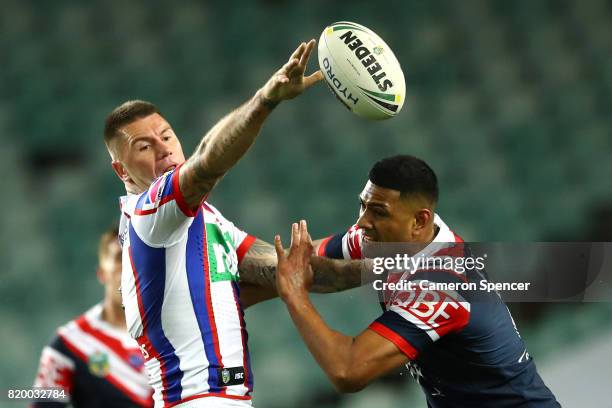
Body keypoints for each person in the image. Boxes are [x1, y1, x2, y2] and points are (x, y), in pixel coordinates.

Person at [104, 39, 363, 408]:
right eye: (144, 147)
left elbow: (294, 269)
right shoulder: (150, 214)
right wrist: (267, 98)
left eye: (166, 136)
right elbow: (208, 162)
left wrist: (406, 261)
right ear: (121, 170)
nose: (164, 150)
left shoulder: (204, 223)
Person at [274, 155, 560, 407]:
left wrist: (295, 295)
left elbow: (347, 370)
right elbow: (297, 261)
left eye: (377, 212)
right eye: (363, 206)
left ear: (419, 221)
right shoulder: (396, 235)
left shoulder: (439, 285)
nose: (362, 222)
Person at [32, 227, 153, 407]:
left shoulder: (173, 337)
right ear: (102, 274)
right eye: (120, 258)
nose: (130, 267)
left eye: (136, 258)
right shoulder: (69, 343)